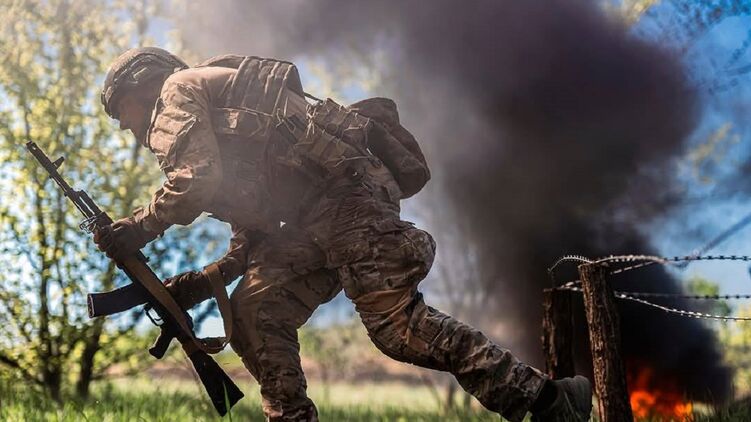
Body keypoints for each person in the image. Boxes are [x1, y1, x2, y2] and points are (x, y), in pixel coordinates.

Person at [94, 46, 592, 422]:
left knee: (397, 327)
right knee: (257, 309)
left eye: (121, 111)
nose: (124, 127)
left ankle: (550, 400)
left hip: (345, 200)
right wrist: (205, 281)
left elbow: (195, 181)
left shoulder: (176, 90)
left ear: (140, 84)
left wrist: (137, 227)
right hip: (318, 214)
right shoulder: (213, 112)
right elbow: (255, 227)